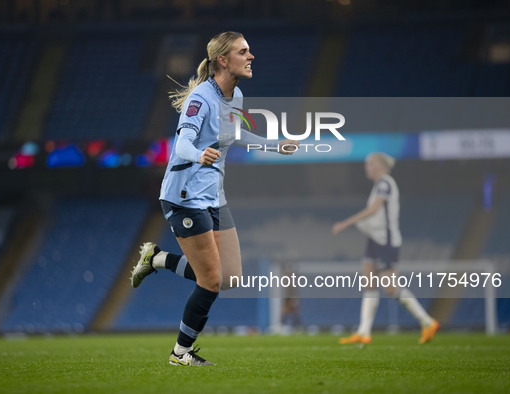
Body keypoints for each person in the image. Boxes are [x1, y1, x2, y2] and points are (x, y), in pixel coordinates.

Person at [130, 31, 299, 366]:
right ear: (223, 59)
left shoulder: (235, 96)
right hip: (184, 196)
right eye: (243, 51)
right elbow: (181, 144)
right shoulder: (201, 99)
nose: (251, 56)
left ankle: (158, 259)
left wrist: (272, 144)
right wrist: (199, 155)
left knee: (230, 277)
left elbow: (232, 134)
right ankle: (181, 354)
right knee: (210, 281)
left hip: (213, 197)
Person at [332, 152, 439, 345]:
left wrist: (346, 223)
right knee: (368, 284)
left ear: (380, 165)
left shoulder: (385, 183)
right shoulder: (378, 186)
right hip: (374, 240)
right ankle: (364, 332)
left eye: (369, 164)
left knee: (390, 288)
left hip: (386, 241)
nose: (367, 168)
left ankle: (428, 322)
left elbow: (373, 209)